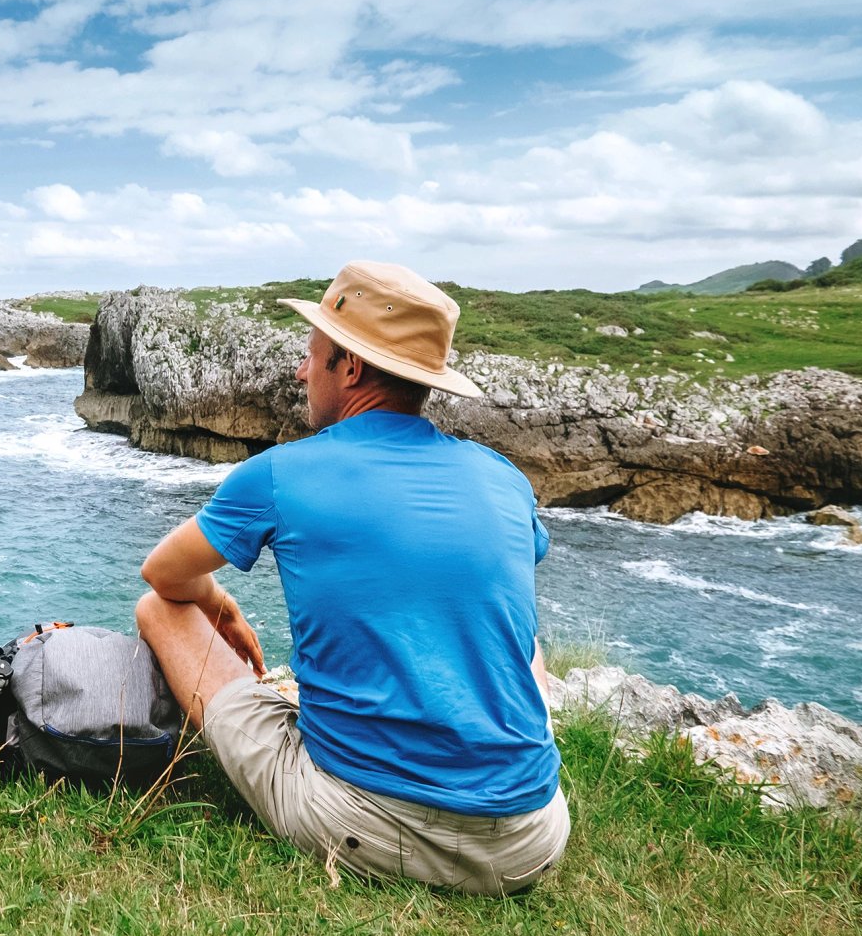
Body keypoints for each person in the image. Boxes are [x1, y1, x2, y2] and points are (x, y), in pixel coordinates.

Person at [134, 261, 567, 896]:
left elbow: (162, 575)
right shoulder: (505, 477)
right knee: (516, 636)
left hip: (362, 828)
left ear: (352, 369)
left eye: (311, 354)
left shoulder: (280, 472)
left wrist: (217, 600)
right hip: (531, 840)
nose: (300, 370)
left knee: (156, 609)